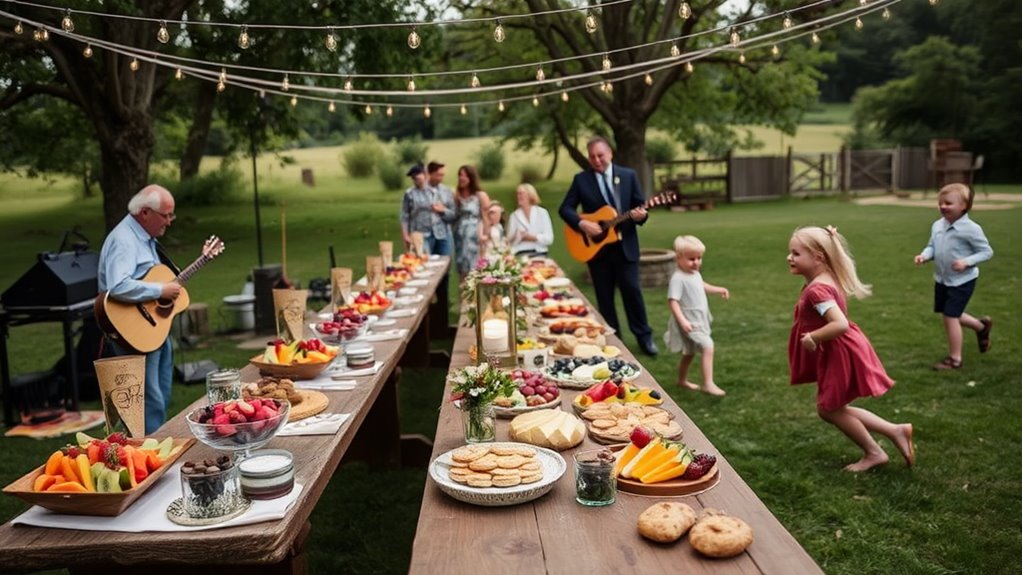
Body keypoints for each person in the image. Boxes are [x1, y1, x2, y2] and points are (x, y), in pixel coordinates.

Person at [787, 225, 914, 472]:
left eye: (796, 253)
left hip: (838, 353)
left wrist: (813, 336)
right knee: (834, 408)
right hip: (837, 350)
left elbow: (839, 324)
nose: (789, 257)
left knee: (829, 409)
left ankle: (875, 452)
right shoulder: (824, 278)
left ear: (818, 257)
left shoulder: (817, 290)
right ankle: (895, 431)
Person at [559, 136, 657, 355]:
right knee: (605, 299)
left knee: (632, 293)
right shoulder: (581, 180)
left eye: (600, 155)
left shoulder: (628, 175)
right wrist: (582, 223)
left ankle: (644, 338)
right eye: (592, 157)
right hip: (597, 253)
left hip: (625, 248)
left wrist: (641, 215)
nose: (596, 160)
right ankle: (613, 340)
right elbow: (565, 209)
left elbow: (639, 207)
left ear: (610, 153)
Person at [97, 184, 182, 434]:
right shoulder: (124, 240)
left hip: (153, 329)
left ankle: (157, 444)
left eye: (171, 215)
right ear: (145, 213)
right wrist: (160, 291)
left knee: (160, 394)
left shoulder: (144, 238)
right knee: (147, 399)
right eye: (165, 215)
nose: (169, 221)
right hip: (133, 333)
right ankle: (147, 450)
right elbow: (117, 285)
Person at [913, 183, 994, 370]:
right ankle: (981, 327)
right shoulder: (937, 225)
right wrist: (924, 256)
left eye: (948, 203)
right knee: (949, 313)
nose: (943, 206)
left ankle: (955, 359)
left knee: (950, 316)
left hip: (962, 280)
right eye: (940, 203)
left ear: (964, 206)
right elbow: (932, 246)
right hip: (942, 279)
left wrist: (967, 261)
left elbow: (986, 252)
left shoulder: (971, 229)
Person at [664, 235, 730, 396]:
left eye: (699, 258)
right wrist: (683, 321)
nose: (696, 262)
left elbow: (702, 286)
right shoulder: (678, 279)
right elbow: (673, 302)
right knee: (708, 346)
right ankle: (708, 384)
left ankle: (682, 380)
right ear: (679, 258)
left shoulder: (694, 273)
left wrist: (718, 289)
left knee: (689, 353)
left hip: (698, 319)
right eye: (691, 259)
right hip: (689, 322)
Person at [401, 163, 456, 257]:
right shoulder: (409, 193)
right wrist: (405, 235)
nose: (416, 179)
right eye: (413, 178)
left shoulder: (444, 191)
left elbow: (453, 214)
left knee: (445, 262)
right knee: (424, 261)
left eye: (418, 176)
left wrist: (443, 211)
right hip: (421, 235)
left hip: (443, 234)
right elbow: (404, 216)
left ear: (426, 175)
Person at [453, 165, 492, 279]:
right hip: (460, 236)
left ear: (471, 178)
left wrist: (486, 236)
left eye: (464, 176)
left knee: (475, 271)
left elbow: (486, 217)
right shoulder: (457, 195)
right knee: (462, 270)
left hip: (475, 236)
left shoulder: (480, 196)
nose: (461, 178)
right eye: (460, 175)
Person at [508, 183, 554, 258]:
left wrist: (532, 237)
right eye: (517, 194)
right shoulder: (514, 216)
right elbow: (510, 242)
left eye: (521, 193)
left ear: (530, 195)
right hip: (520, 252)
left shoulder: (542, 212)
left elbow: (549, 239)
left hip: (539, 252)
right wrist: (518, 236)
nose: (518, 196)